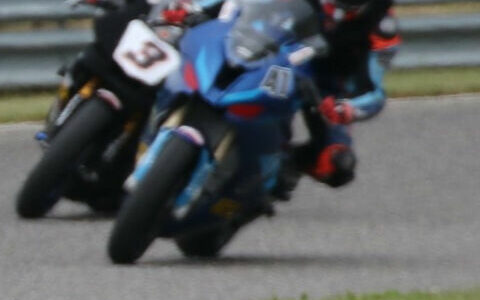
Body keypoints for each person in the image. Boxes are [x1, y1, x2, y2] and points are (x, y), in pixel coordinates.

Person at [157, 0, 400, 195]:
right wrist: (197, 8)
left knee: (336, 165)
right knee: (172, 46)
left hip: (323, 88)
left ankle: (282, 169)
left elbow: (374, 93)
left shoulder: (383, 27)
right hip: (273, 51)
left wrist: (347, 108)